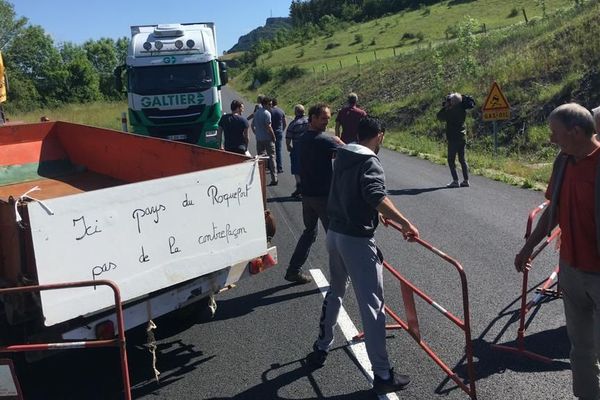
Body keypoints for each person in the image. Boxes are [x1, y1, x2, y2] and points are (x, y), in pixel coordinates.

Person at [307, 117, 419, 395]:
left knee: (336, 290)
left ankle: (321, 346)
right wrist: (405, 223)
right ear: (379, 136)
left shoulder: (344, 153)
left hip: (335, 232)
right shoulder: (369, 161)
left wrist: (380, 210)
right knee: (373, 305)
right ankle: (382, 373)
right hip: (356, 239)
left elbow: (364, 194)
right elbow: (374, 195)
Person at [514, 103, 600, 400]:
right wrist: (528, 246)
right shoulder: (563, 161)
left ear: (575, 132)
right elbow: (554, 210)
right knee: (580, 350)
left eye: (555, 133)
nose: (551, 139)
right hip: (572, 271)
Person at [284, 103, 343, 284]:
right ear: (313, 118)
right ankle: (340, 276)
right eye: (324, 118)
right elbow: (349, 152)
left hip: (307, 195)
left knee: (309, 232)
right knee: (335, 236)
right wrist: (340, 142)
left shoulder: (303, 139)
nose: (327, 121)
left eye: (328, 118)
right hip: (323, 197)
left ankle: (293, 270)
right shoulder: (324, 140)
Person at [437, 92, 470, 188]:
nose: (447, 101)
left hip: (453, 139)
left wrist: (445, 107)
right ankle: (466, 180)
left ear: (452, 102)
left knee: (451, 160)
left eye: (449, 100)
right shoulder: (462, 109)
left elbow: (439, 117)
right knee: (462, 159)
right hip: (462, 137)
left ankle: (455, 181)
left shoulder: (450, 112)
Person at [251, 96, 277, 185]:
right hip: (267, 139)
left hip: (259, 139)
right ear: (265, 104)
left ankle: (261, 178)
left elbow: (252, 125)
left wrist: (256, 133)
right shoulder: (267, 113)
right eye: (269, 104)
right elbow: (268, 127)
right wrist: (273, 137)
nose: (271, 106)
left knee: (261, 159)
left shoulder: (257, 112)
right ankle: (274, 178)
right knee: (272, 157)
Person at [285, 104, 309, 198]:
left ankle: (299, 187)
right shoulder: (308, 121)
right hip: (308, 146)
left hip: (297, 147)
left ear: (296, 112)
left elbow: (288, 137)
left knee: (296, 167)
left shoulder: (294, 123)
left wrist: (288, 146)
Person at [270, 98, 287, 173]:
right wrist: (281, 130)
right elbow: (285, 123)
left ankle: (271, 166)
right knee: (278, 150)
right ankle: (279, 168)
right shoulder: (281, 111)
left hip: (270, 132)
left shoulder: (269, 111)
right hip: (279, 132)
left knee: (270, 151)